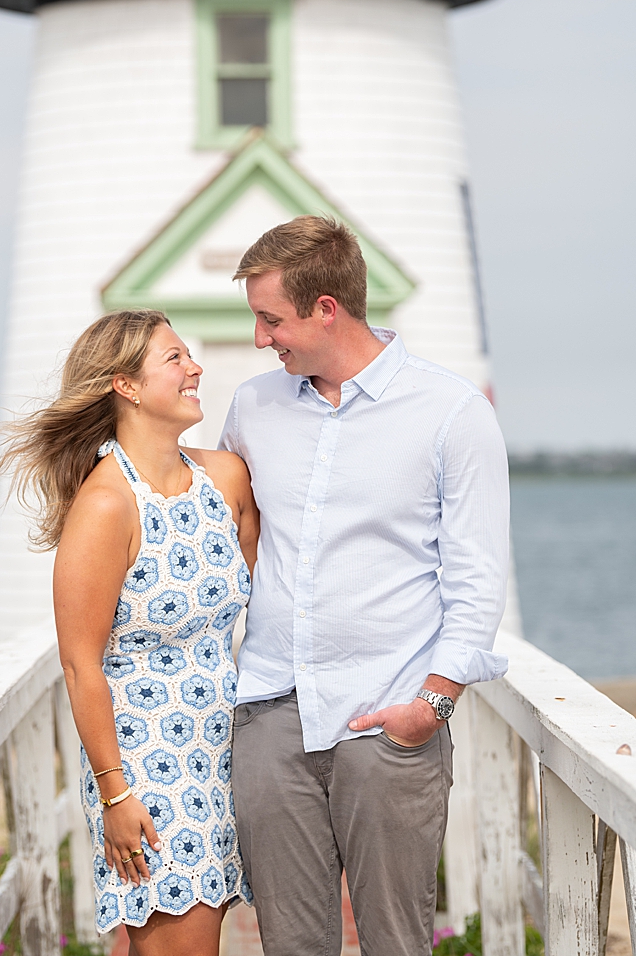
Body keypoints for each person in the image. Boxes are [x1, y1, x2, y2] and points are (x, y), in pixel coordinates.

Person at [219, 215, 509, 955]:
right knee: (292, 945)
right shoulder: (253, 408)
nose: (261, 339)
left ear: (326, 309)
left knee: (397, 942)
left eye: (270, 319)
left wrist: (432, 705)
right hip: (271, 717)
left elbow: (477, 576)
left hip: (391, 717)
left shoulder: (452, 413)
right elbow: (215, 532)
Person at [0, 309, 257, 955]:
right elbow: (82, 665)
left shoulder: (226, 480)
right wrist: (116, 791)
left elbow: (268, 600)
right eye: (174, 358)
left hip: (227, 747)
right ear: (127, 386)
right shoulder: (107, 505)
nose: (195, 367)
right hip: (147, 762)